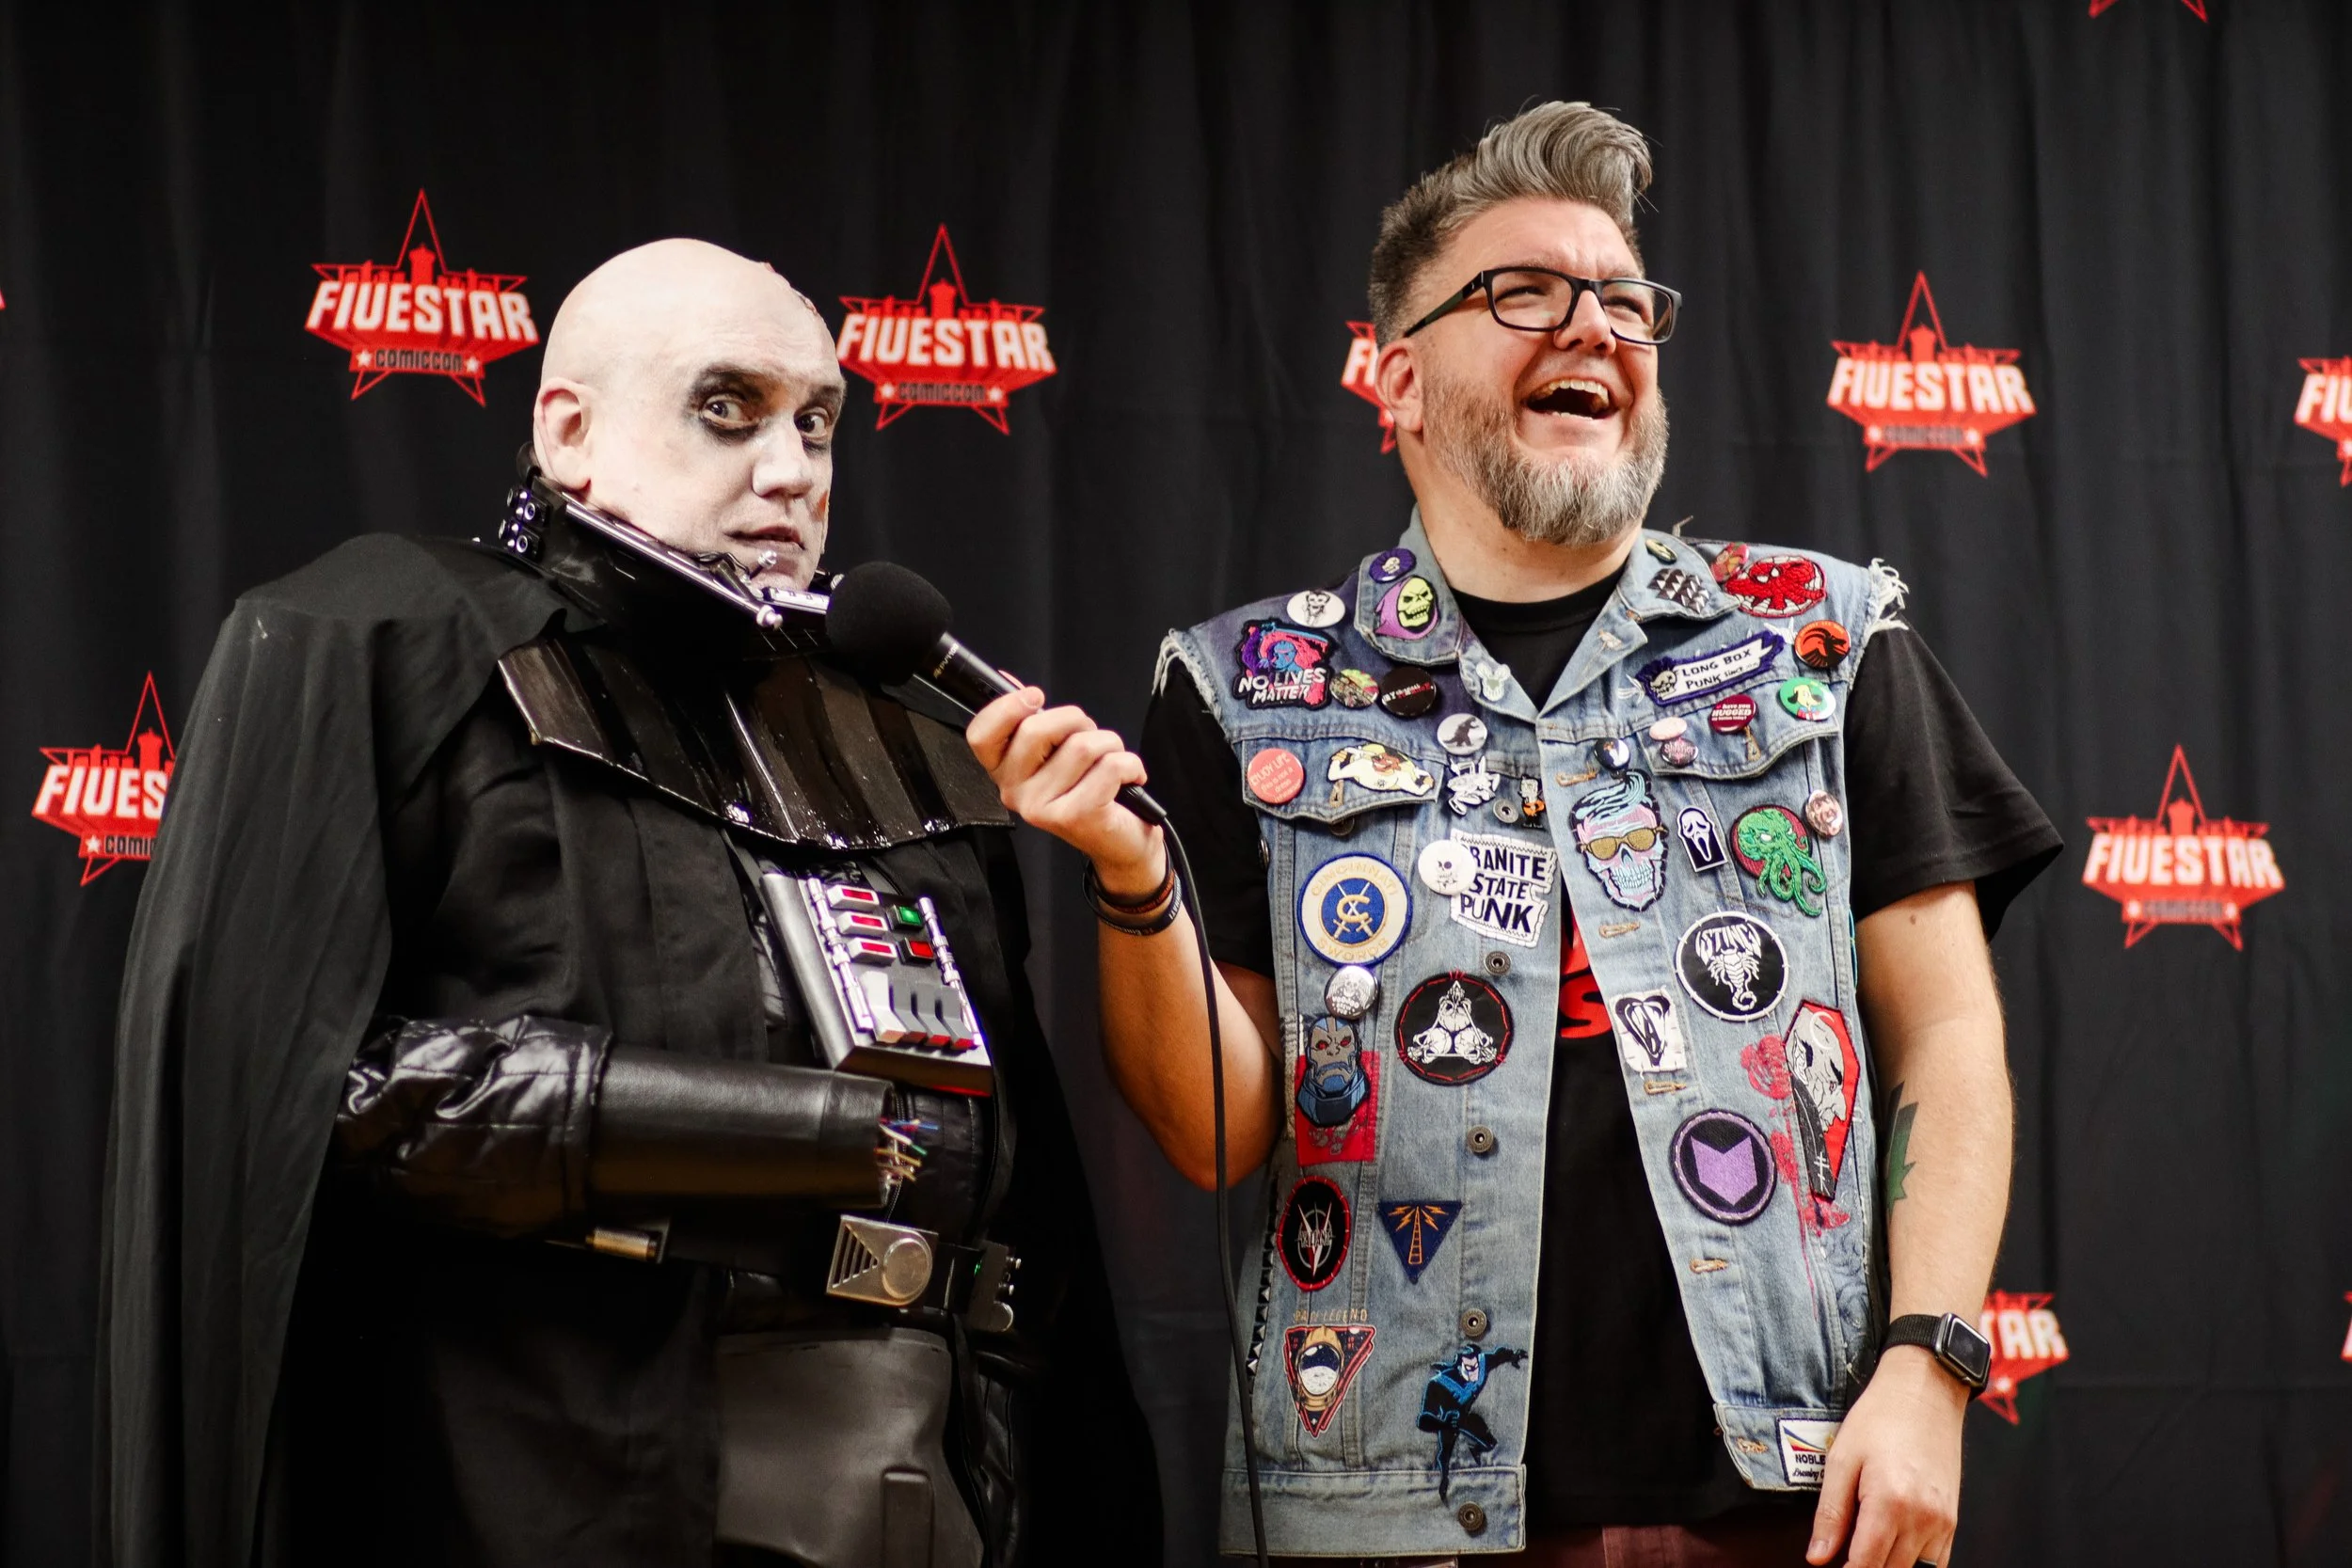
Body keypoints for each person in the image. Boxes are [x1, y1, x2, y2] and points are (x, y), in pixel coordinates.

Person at [968, 103, 2059, 1567]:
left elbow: (1948, 1041)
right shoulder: (1240, 694)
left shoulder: (1826, 641)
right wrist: (1132, 879)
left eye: (1622, 299)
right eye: (1525, 295)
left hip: (1788, 1499)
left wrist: (1929, 1368)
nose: (1592, 327)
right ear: (1400, 380)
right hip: (1387, 1509)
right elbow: (1218, 1128)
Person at [100, 239, 1157, 1568]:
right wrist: (770, 1136)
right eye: (730, 408)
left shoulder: (908, 736)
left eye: (818, 421)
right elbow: (273, 1090)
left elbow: (1014, 1200)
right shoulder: (391, 640)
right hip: (554, 1480)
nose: (792, 470)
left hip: (930, 1486)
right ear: (569, 427)